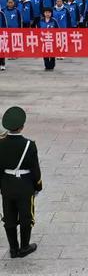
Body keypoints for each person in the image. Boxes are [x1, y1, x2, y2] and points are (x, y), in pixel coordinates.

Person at [0, 106, 42, 258]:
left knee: (9, 217)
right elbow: (35, 169)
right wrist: (38, 186)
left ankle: (13, 249)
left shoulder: (0, 143)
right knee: (26, 217)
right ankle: (24, 247)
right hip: (25, 186)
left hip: (7, 185)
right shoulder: (29, 145)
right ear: (22, 126)